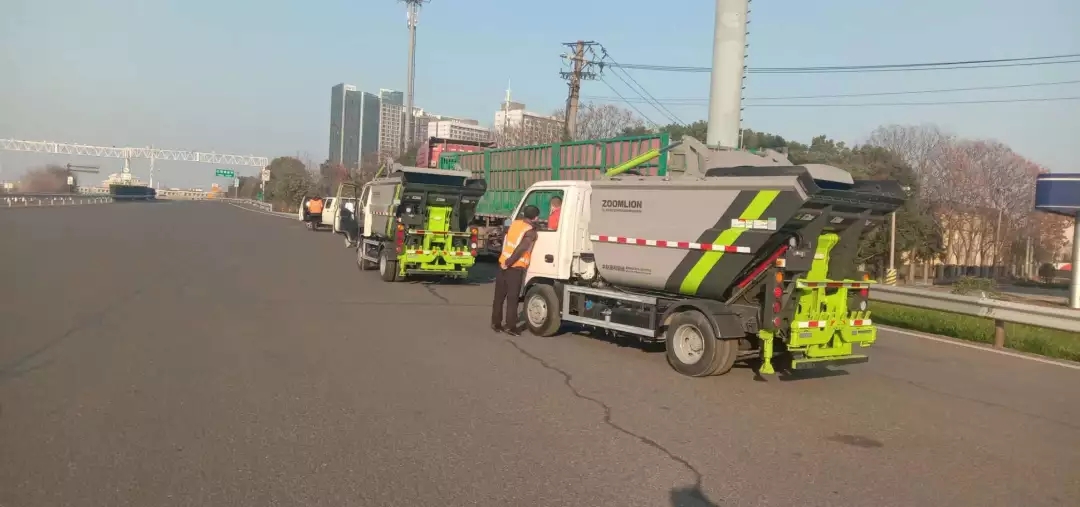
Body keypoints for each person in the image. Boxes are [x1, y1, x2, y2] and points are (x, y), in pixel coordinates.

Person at [491, 205, 540, 336]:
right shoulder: (531, 231)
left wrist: (505, 262)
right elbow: (521, 249)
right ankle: (510, 326)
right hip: (515, 266)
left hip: (502, 262)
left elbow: (506, 238)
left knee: (499, 296)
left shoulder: (515, 224)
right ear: (536, 217)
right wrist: (509, 262)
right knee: (512, 298)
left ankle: (496, 323)